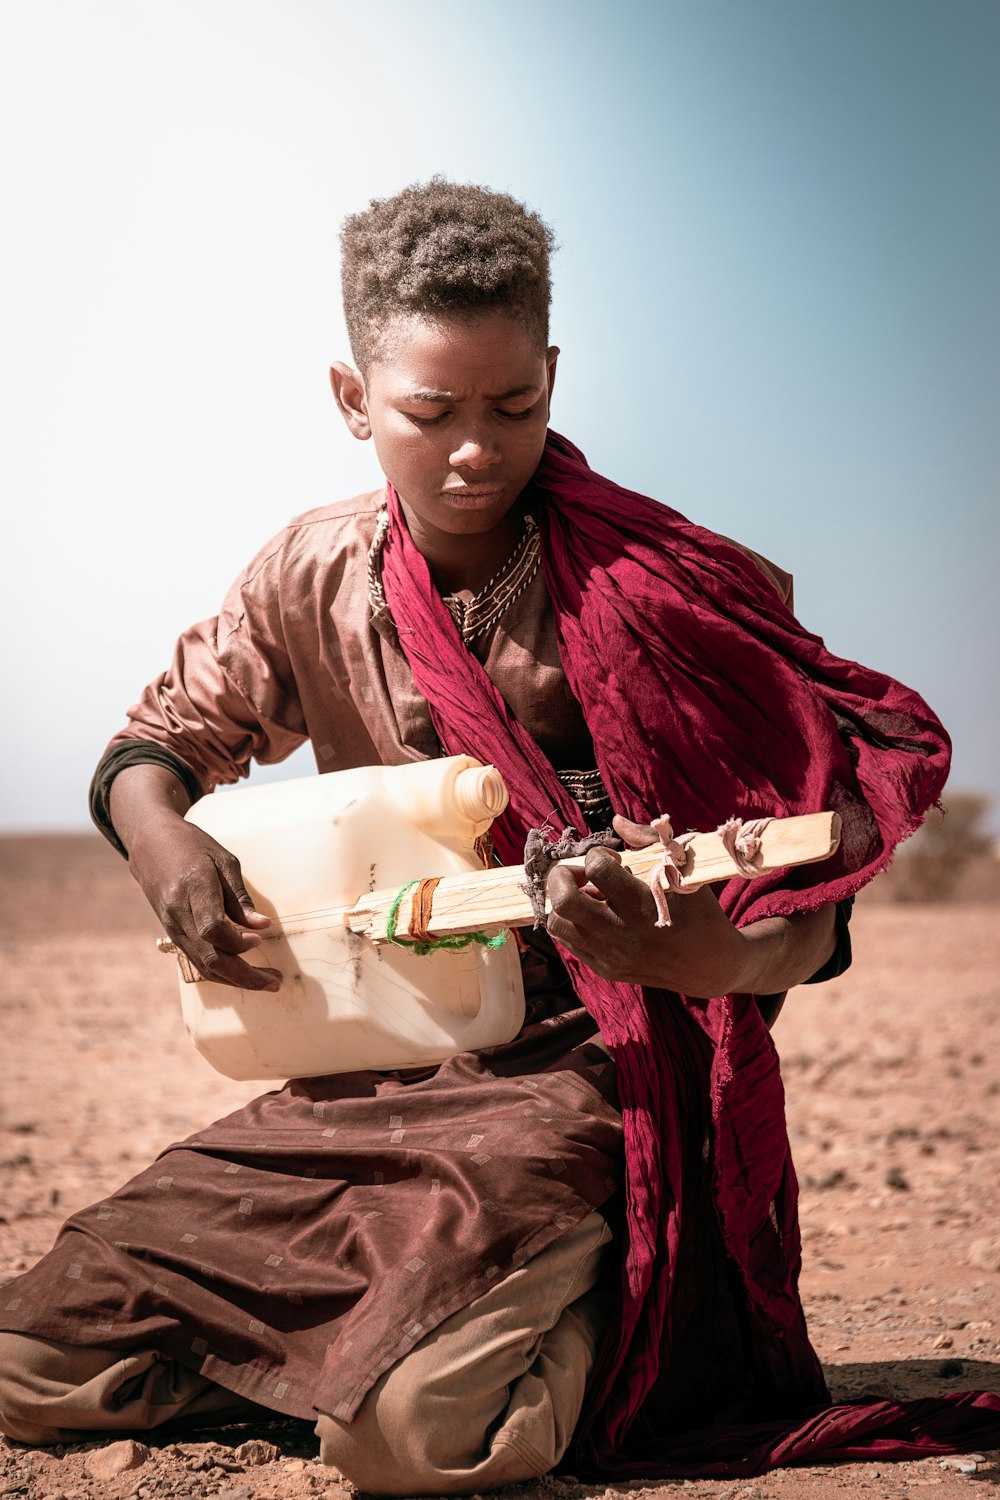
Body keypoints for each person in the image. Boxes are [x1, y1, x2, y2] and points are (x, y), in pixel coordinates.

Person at [1, 180, 995, 1491]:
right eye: (431, 412)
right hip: (373, 1085)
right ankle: (354, 1344)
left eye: (514, 406)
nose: (476, 448)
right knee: (28, 1358)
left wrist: (684, 952)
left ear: (553, 375)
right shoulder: (307, 574)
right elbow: (156, 749)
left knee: (417, 1440)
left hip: (590, 1078)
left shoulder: (670, 595)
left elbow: (801, 929)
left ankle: (599, 1316)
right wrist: (164, 846)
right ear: (356, 401)